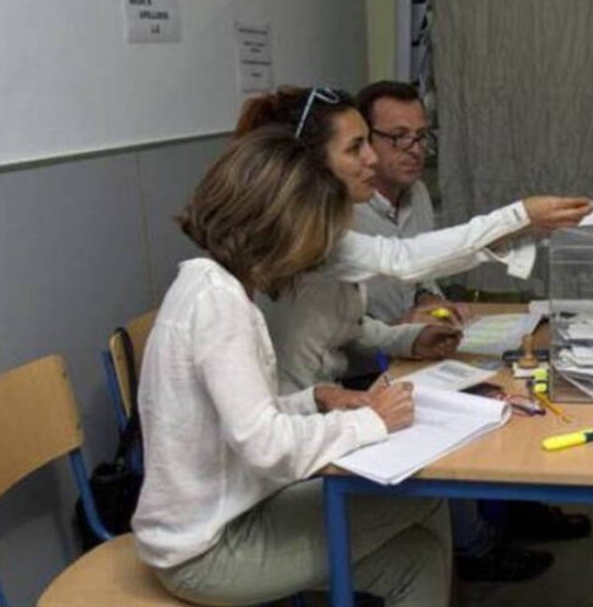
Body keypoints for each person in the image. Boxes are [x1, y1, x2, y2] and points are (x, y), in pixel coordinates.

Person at [236, 85, 592, 582]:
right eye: (358, 147)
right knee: (443, 464)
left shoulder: (321, 230)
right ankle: (469, 550)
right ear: (313, 165)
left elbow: (352, 323)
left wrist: (408, 341)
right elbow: (402, 261)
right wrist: (520, 216)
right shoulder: (304, 240)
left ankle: (469, 544)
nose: (373, 160)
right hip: (303, 432)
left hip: (326, 405)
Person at [133, 126, 451, 606]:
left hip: (227, 514)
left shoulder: (207, 285)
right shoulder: (221, 306)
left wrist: (315, 399)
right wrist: (372, 421)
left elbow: (237, 419)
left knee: (417, 555)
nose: (320, 247)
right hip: (208, 551)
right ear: (279, 225)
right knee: (423, 496)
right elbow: (264, 445)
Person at [351, 81, 470, 327]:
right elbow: (333, 332)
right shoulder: (341, 210)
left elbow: (420, 276)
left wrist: (427, 298)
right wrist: (399, 329)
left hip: (410, 352)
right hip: (362, 362)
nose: (416, 150)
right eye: (399, 137)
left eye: (421, 136)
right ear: (364, 141)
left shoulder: (418, 193)